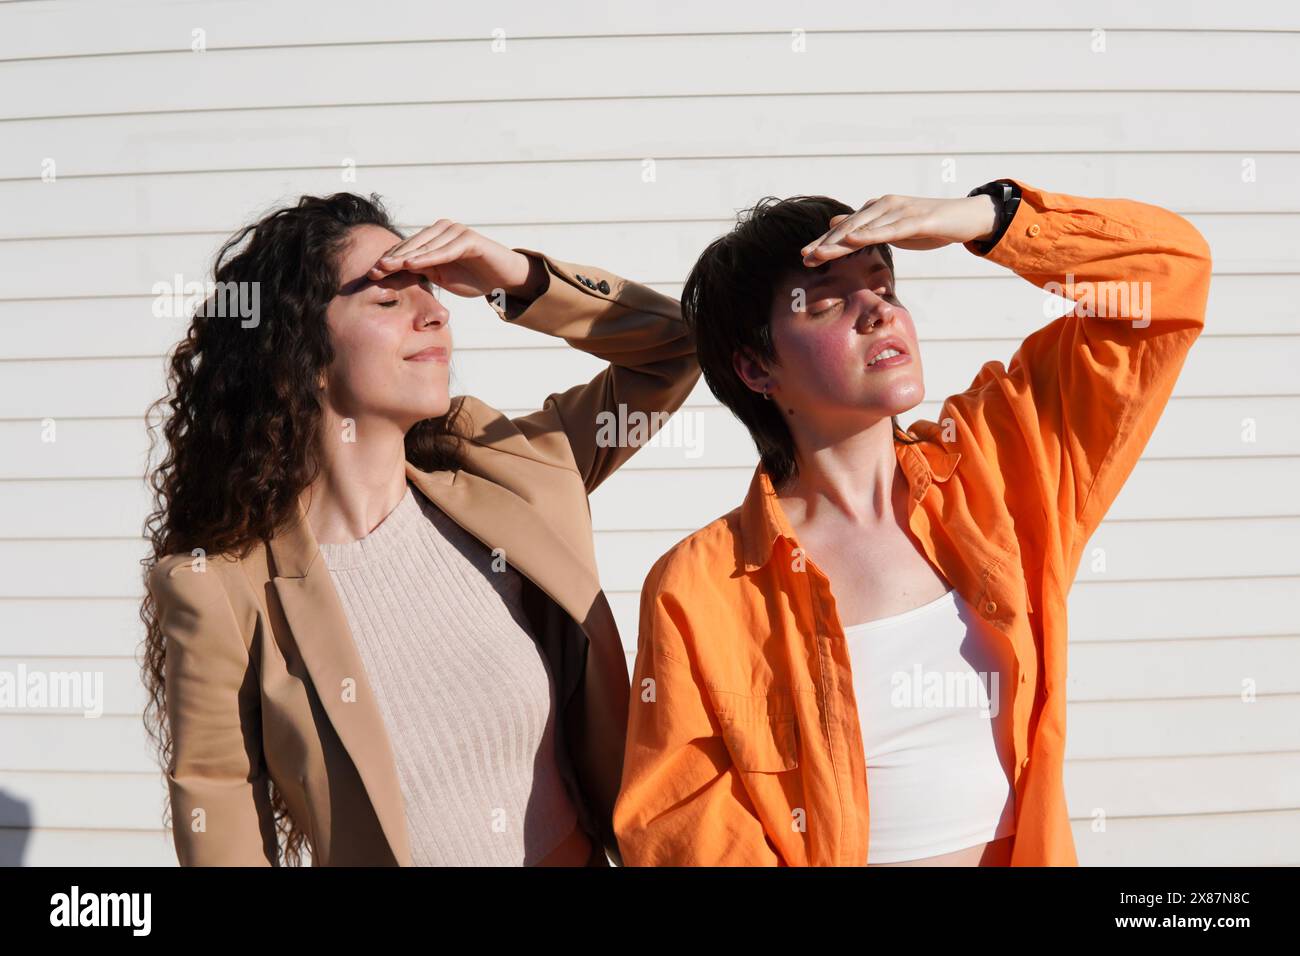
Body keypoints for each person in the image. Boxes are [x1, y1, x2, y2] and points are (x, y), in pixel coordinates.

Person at [613, 179, 1212, 865]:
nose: (877, 311)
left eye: (884, 285)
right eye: (830, 300)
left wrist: (986, 219)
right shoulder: (701, 587)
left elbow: (1168, 281)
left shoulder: (1001, 468)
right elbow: (680, 827)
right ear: (755, 367)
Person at [141, 193, 699, 865]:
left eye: (430, 292)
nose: (435, 313)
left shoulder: (505, 470)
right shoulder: (222, 588)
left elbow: (674, 348)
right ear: (301, 354)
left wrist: (514, 278)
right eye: (387, 301)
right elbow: (221, 825)